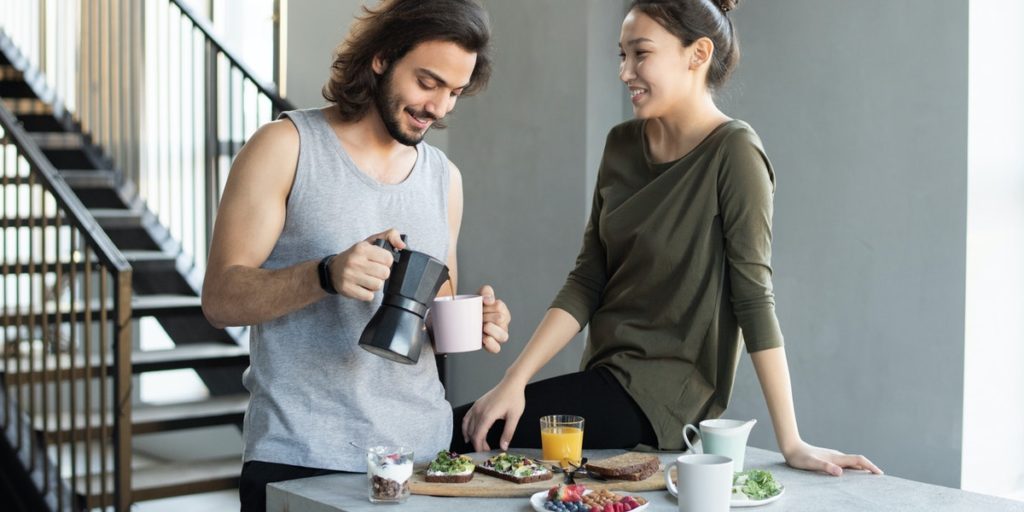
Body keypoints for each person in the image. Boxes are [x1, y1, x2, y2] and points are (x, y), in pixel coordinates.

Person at [454, 0, 881, 477]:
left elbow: (754, 299)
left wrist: (792, 440)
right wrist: (515, 380)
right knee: (469, 429)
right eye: (622, 55)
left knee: (460, 432)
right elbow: (587, 280)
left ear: (697, 54)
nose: (625, 72)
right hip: (604, 378)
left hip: (663, 400)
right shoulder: (620, 145)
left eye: (640, 54)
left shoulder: (735, 153)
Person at [200, 1, 510, 510]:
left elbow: (437, 310)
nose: (440, 107)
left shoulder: (444, 179)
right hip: (301, 458)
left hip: (426, 460)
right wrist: (324, 274)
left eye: (455, 93)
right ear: (383, 58)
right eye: (428, 83)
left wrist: (477, 319)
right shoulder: (286, 146)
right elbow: (220, 299)